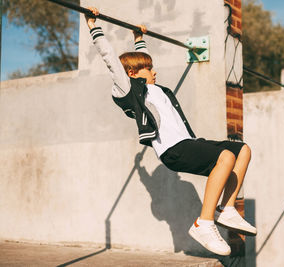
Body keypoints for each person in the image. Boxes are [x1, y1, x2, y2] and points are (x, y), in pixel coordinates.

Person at [85, 7, 256, 256]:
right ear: (132, 74)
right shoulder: (129, 90)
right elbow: (111, 60)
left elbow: (142, 60)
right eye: (148, 69)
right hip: (172, 151)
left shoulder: (157, 89)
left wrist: (139, 38)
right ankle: (204, 223)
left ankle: (226, 208)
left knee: (241, 150)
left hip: (187, 142)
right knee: (225, 158)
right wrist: (93, 26)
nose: (155, 71)